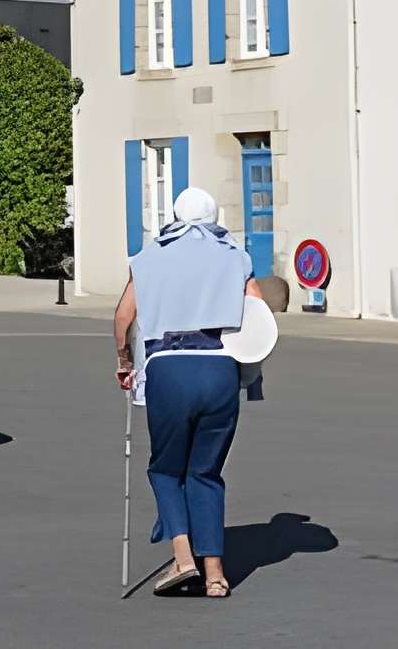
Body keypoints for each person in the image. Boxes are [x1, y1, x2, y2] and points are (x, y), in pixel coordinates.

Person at [115, 186, 269, 598]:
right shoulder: (234, 256)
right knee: (206, 472)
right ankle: (216, 574)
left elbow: (124, 315)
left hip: (168, 368)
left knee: (165, 469)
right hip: (219, 368)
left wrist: (124, 361)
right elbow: (257, 310)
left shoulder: (149, 258)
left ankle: (184, 560)